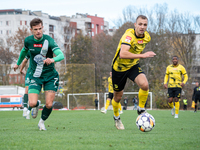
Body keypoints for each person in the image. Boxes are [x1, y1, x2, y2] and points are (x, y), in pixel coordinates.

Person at [13, 18, 64, 130]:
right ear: (31, 30)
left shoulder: (48, 40)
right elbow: (23, 52)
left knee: (49, 104)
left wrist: (52, 59)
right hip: (35, 76)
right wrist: (18, 64)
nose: (38, 31)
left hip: (50, 76)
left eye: (40, 28)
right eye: (35, 29)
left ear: (42, 28)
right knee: (31, 104)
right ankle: (36, 104)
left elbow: (61, 55)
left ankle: (41, 122)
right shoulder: (28, 41)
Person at [111, 15, 156, 130]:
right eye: (140, 24)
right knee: (117, 97)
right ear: (135, 25)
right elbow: (123, 54)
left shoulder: (147, 37)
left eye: (145, 25)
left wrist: (138, 57)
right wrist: (143, 55)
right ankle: (116, 118)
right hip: (119, 68)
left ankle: (141, 108)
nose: (142, 27)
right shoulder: (128, 36)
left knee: (145, 85)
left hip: (133, 66)